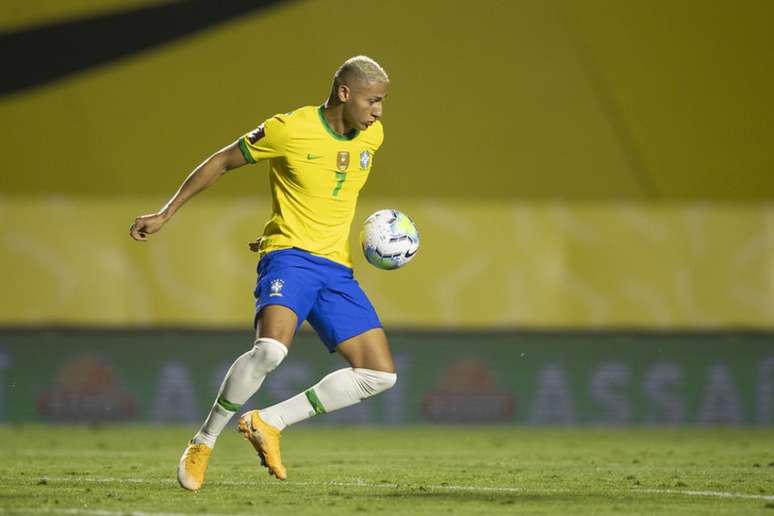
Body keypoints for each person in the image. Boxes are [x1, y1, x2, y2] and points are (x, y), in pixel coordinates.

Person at [129, 56, 396, 490]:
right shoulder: (288, 129)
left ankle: (269, 422)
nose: (379, 111)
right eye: (374, 100)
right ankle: (204, 440)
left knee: (380, 374)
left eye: (382, 102)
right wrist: (165, 214)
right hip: (290, 259)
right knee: (271, 351)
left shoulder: (373, 137)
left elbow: (326, 197)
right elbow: (220, 162)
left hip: (336, 270)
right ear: (345, 93)